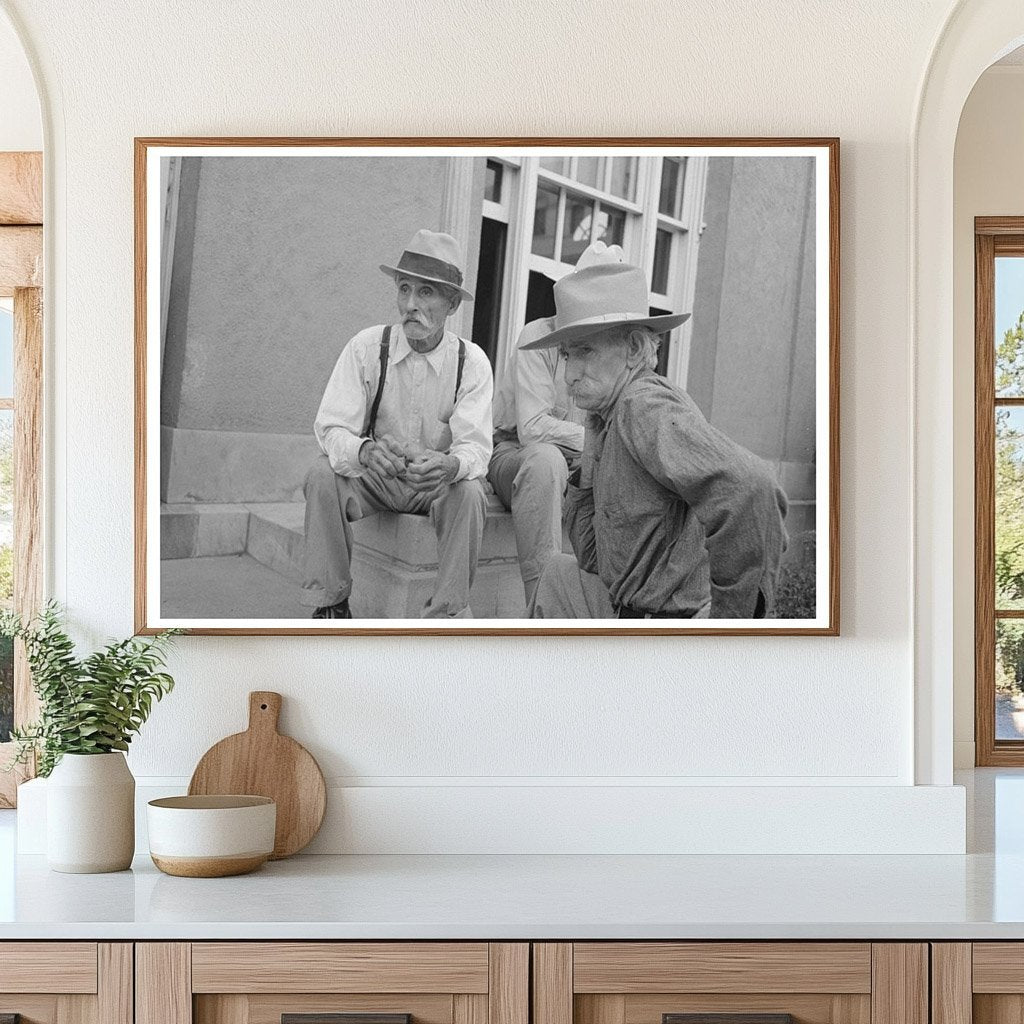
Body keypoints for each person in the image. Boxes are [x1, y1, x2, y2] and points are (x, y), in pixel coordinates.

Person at [525, 251, 788, 620]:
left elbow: (753, 490)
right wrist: (590, 443)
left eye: (585, 351)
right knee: (557, 573)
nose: (569, 375)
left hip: (662, 622)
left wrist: (730, 625)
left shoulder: (642, 405)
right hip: (625, 603)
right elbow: (591, 557)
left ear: (633, 349)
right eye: (567, 355)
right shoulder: (609, 415)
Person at [301, 229, 492, 619]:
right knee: (322, 474)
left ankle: (446, 615)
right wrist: (365, 451)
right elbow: (331, 428)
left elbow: (477, 448)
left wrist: (450, 465)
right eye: (404, 289)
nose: (410, 304)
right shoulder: (367, 347)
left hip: (433, 487)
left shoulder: (471, 363)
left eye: (426, 293)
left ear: (452, 303)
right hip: (377, 480)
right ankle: (332, 603)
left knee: (470, 493)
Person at [488, 244, 627, 606]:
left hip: (577, 462)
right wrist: (594, 439)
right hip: (513, 455)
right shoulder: (538, 336)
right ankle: (541, 606)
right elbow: (531, 428)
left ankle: (625, 603)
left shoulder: (610, 353)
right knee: (546, 460)